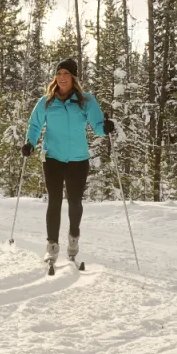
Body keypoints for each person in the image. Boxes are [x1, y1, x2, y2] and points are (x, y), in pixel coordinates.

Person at [22, 59, 115, 263]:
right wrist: (30, 143)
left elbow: (97, 125)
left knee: (74, 202)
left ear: (73, 77)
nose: (62, 77)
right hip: (52, 158)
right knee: (54, 201)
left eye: (66, 73)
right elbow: (35, 125)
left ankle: (73, 238)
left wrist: (106, 127)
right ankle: (52, 246)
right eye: (59, 73)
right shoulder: (46, 102)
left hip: (78, 160)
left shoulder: (86, 101)